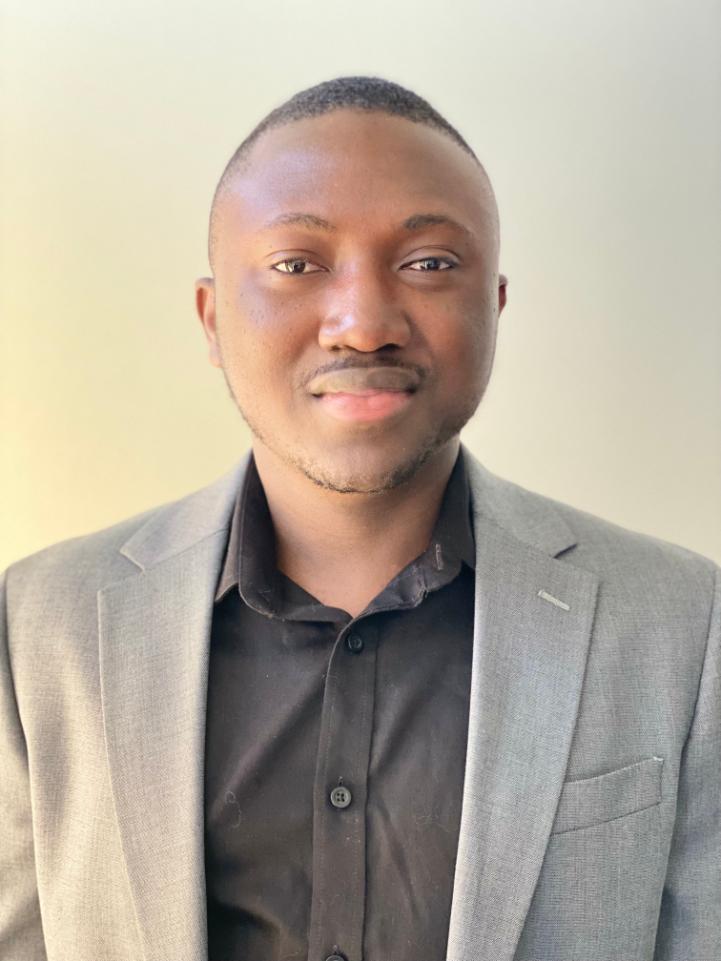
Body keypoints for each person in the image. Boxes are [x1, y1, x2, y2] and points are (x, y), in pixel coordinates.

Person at [0, 76, 718, 961]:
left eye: (426, 264)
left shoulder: (681, 624)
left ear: (492, 307)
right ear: (213, 317)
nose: (363, 324)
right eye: (298, 264)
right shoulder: (39, 628)